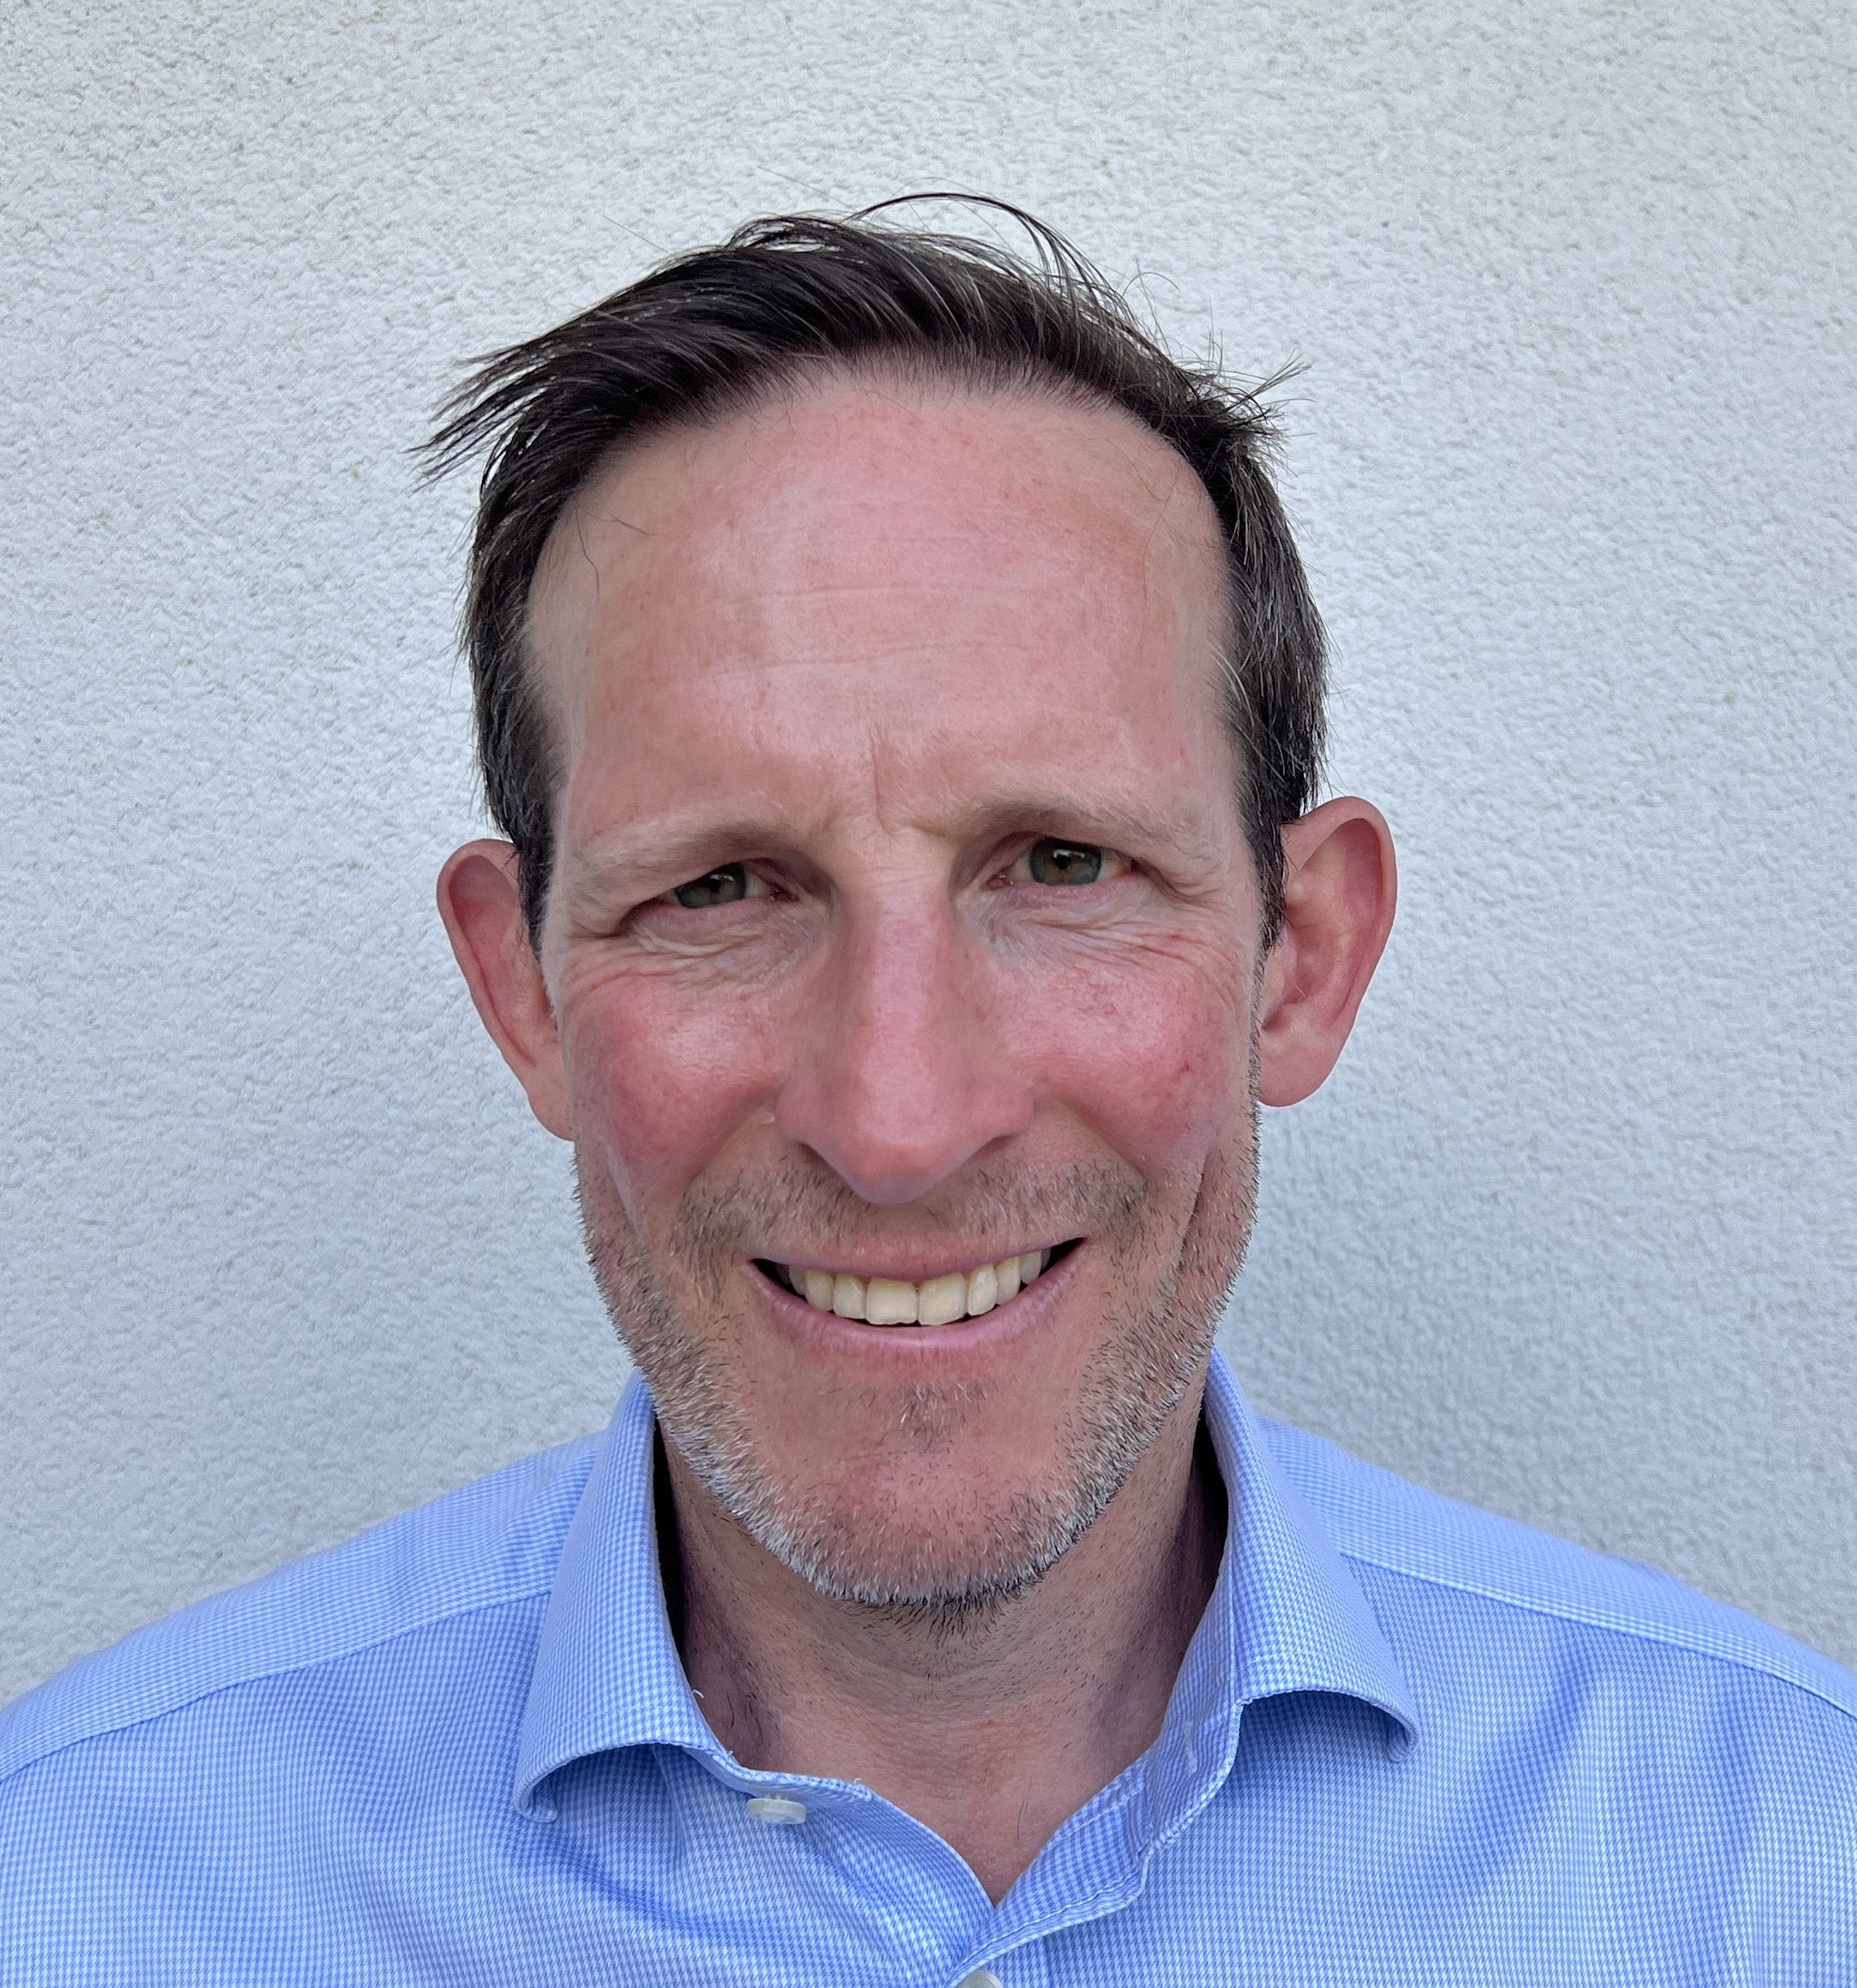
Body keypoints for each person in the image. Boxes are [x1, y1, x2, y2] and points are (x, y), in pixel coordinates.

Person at [2, 206, 1852, 1985]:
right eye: (720, 888)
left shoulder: (1783, 1867)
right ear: (525, 991)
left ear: (1301, 955)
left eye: (1063, 864)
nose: (897, 1121)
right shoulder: (79, 1892)